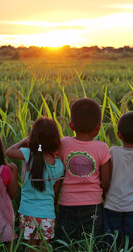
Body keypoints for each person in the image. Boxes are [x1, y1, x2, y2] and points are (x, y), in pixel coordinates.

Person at [56, 98, 111, 245]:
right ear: (99, 127)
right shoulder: (103, 147)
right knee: (92, 241)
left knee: (65, 241)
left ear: (71, 125)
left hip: (67, 202)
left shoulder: (64, 143)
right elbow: (105, 180)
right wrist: (102, 195)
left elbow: (58, 175)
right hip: (93, 203)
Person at [6, 117, 64, 248]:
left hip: (27, 212)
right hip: (48, 214)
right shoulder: (59, 165)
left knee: (30, 247)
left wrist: (24, 141)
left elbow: (9, 151)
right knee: (44, 248)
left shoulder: (30, 155)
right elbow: (55, 192)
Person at [104, 111, 133, 248]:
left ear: (119, 135)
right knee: (132, 241)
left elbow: (107, 177)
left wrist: (102, 195)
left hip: (112, 205)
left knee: (112, 240)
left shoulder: (113, 151)